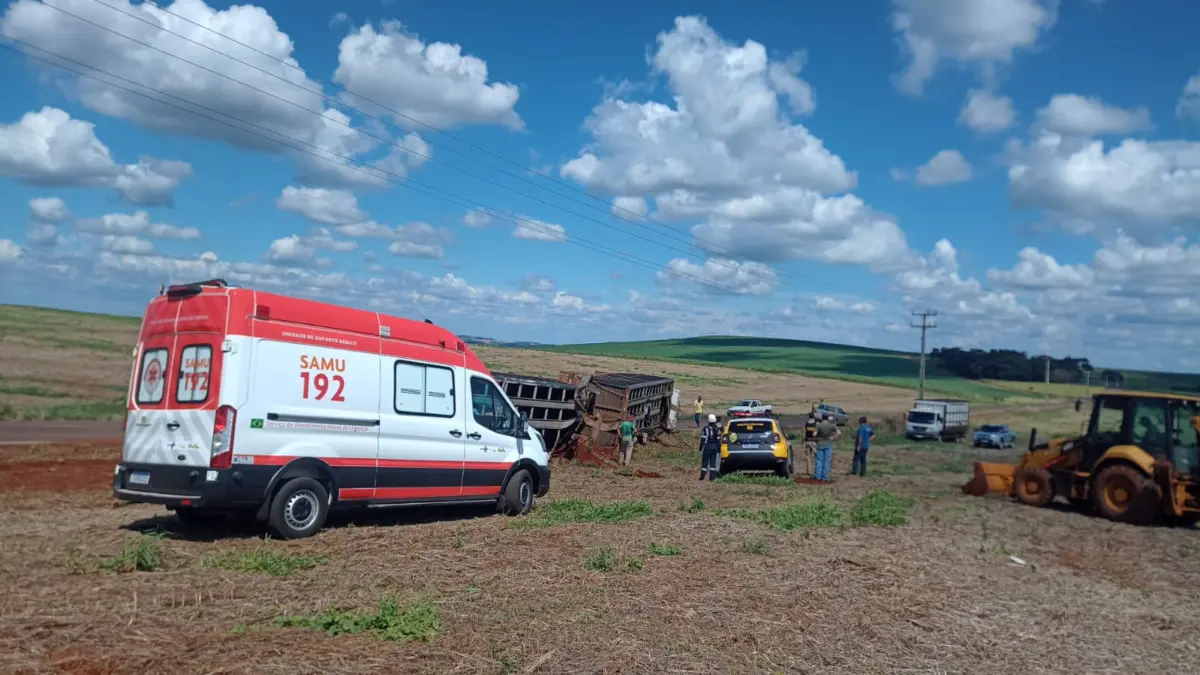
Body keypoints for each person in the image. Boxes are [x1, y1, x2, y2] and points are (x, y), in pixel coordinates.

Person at [814, 413, 841, 482]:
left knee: (819, 460)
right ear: (827, 418)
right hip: (828, 444)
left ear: (822, 418)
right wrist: (833, 438)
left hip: (820, 444)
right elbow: (839, 432)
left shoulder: (819, 425)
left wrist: (816, 435)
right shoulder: (831, 425)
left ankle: (817, 476)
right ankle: (825, 477)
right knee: (827, 461)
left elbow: (814, 434)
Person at [699, 413, 721, 481]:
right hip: (714, 448)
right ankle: (712, 478)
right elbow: (718, 440)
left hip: (707, 448)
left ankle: (702, 477)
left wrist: (700, 449)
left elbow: (703, 439)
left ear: (708, 420)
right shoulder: (717, 429)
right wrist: (719, 450)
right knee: (713, 464)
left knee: (704, 463)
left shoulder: (705, 428)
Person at [803, 411, 819, 477]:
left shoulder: (806, 423)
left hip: (807, 441)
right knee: (817, 456)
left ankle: (809, 471)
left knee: (808, 457)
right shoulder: (816, 424)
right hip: (814, 442)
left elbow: (804, 432)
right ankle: (817, 470)